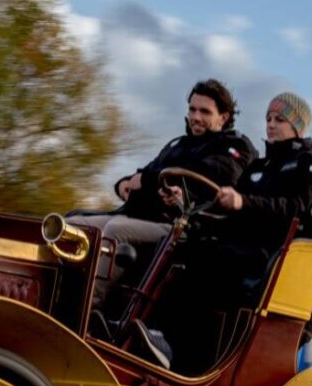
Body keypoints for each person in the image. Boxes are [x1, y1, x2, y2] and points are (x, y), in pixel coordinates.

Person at [141, 92, 312, 370]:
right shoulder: (260, 166)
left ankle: (178, 354)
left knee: (205, 262)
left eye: (279, 119)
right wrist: (186, 203)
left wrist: (243, 202)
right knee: (181, 245)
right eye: (268, 118)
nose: (270, 125)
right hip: (243, 244)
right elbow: (229, 208)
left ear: (298, 127)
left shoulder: (309, 162)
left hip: (274, 253)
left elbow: (295, 208)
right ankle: (149, 335)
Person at [71, 79, 257, 312]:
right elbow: (145, 172)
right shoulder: (178, 145)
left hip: (187, 228)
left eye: (205, 112)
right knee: (73, 225)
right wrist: (124, 184)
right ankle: (56, 298)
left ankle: (87, 311)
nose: (196, 117)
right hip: (143, 216)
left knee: (115, 231)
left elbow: (204, 175)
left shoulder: (235, 147)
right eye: (192, 109)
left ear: (224, 117)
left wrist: (154, 182)